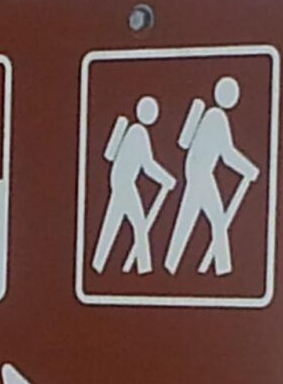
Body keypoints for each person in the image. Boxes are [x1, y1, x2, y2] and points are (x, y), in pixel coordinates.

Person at [166, 75, 262, 277]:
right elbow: (227, 154)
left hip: (195, 172)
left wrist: (247, 169)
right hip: (201, 174)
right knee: (217, 219)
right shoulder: (217, 118)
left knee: (188, 218)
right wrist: (249, 170)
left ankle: (172, 264)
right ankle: (223, 270)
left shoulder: (211, 115)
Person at [92, 95, 175, 274]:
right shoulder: (138, 133)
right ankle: (144, 269)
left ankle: (98, 264)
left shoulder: (133, 131)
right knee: (139, 224)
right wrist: (166, 179)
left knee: (112, 224)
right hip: (125, 184)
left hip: (118, 182)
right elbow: (147, 165)